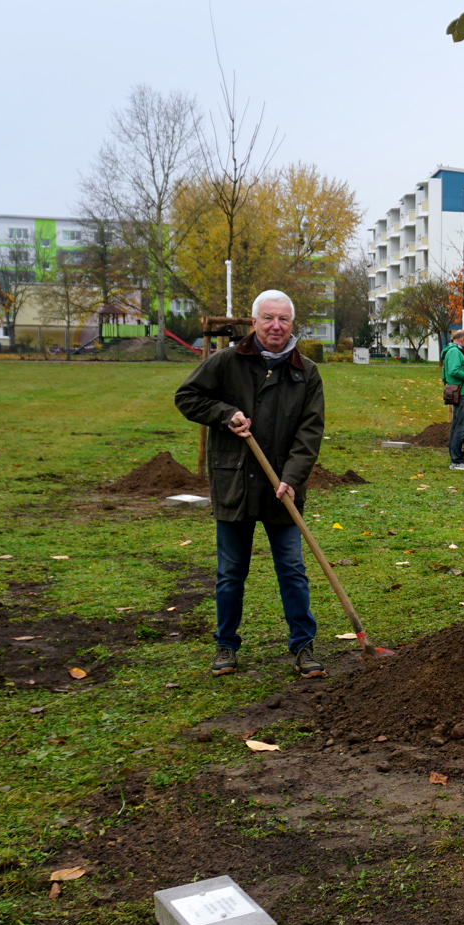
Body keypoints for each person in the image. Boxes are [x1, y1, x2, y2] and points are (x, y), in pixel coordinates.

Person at [175, 289, 327, 680]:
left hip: (282, 488)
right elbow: (187, 397)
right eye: (268, 318)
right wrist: (224, 414)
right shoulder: (226, 362)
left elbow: (310, 432)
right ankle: (225, 644)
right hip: (235, 484)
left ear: (292, 324)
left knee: (292, 570)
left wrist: (292, 477)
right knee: (230, 573)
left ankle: (303, 646)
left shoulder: (305, 372)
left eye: (284, 319)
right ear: (254, 321)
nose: (276, 326)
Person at [442, 328, 464, 470]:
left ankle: (455, 459)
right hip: (462, 393)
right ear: (462, 339)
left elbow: (445, 374)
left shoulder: (450, 351)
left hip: (459, 392)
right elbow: (453, 371)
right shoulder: (455, 351)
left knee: (456, 426)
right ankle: (457, 461)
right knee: (461, 428)